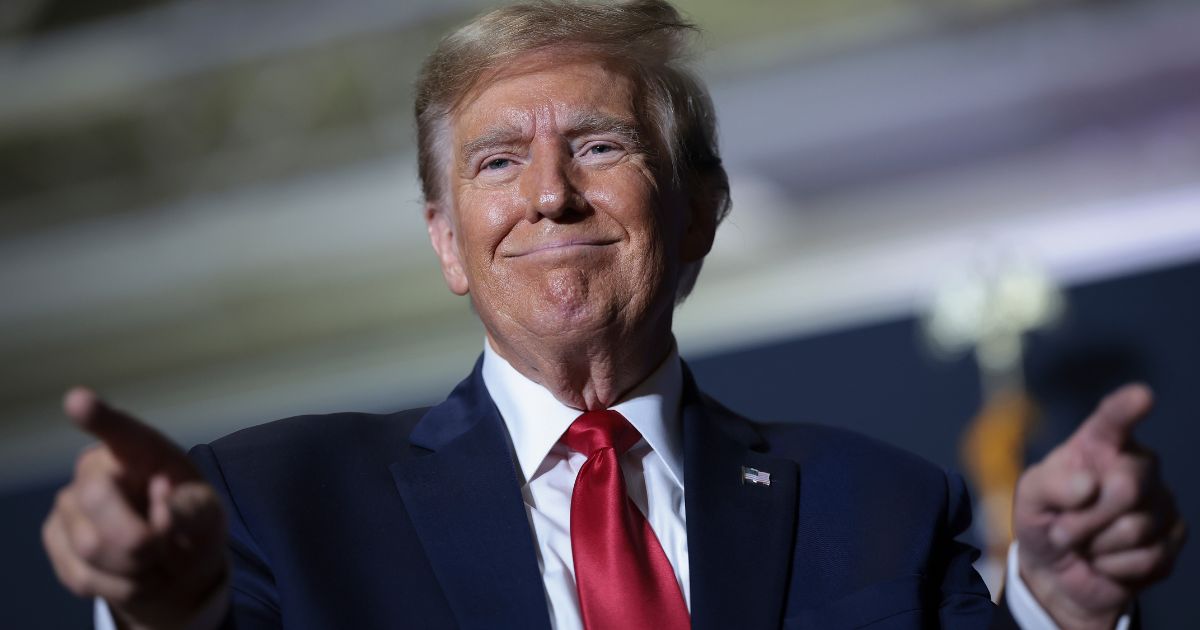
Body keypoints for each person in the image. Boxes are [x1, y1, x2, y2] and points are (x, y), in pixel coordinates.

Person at [42, 1, 1186, 629]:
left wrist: (1067, 612)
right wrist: (163, 617)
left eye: (598, 145)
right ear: (448, 239)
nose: (549, 192)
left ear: (700, 210)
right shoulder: (280, 501)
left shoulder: (880, 506)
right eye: (498, 160)